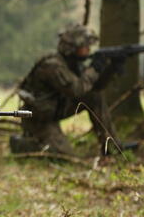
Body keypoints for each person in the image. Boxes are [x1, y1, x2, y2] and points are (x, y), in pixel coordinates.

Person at [10, 23, 120, 156]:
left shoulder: (72, 63)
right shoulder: (53, 65)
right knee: (63, 156)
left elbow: (92, 89)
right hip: (39, 118)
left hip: (55, 109)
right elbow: (77, 90)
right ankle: (24, 144)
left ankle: (112, 147)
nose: (88, 50)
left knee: (94, 97)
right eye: (84, 47)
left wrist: (110, 70)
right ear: (72, 48)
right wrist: (94, 68)